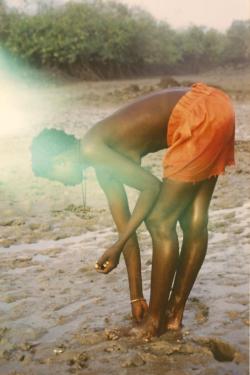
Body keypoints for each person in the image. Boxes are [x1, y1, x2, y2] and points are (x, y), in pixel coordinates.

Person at [31, 82, 235, 338]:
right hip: (218, 106)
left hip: (196, 114)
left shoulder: (92, 147)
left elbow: (151, 187)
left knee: (159, 221)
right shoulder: (100, 161)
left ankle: (152, 324)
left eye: (54, 177)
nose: (60, 183)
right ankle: (173, 316)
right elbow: (126, 236)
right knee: (194, 223)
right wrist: (135, 297)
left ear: (59, 161)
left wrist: (117, 245)